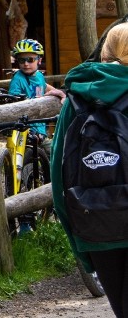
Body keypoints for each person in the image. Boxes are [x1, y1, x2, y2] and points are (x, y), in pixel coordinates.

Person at [52, 23, 128, 318]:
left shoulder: (77, 97)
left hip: (95, 223)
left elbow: (60, 179)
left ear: (103, 53)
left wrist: (81, 246)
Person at [8, 38, 65, 156]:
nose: (26, 63)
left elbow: (44, 86)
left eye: (30, 59)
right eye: (21, 60)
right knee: (43, 156)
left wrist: (61, 94)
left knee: (54, 154)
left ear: (39, 60)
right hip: (26, 131)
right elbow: (13, 101)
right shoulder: (17, 79)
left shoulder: (39, 76)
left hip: (41, 128)